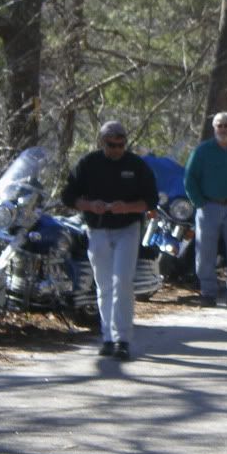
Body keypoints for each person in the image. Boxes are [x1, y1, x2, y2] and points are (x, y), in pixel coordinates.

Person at [62, 120, 157, 361]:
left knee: (122, 282)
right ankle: (107, 337)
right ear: (102, 142)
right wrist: (89, 205)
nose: (116, 149)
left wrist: (126, 207)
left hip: (127, 229)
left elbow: (150, 200)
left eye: (121, 144)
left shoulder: (136, 165)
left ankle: (122, 339)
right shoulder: (88, 163)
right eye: (111, 145)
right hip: (97, 229)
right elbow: (69, 196)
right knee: (103, 284)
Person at [184, 112, 227, 308]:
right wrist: (199, 202)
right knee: (205, 253)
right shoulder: (202, 151)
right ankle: (208, 293)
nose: (223, 129)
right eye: (220, 125)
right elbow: (189, 179)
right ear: (214, 128)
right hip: (209, 207)